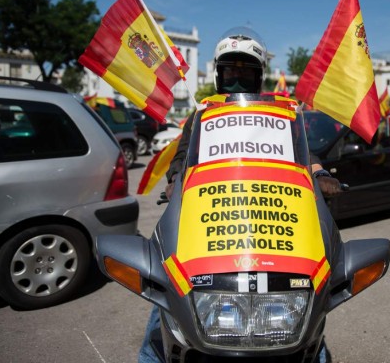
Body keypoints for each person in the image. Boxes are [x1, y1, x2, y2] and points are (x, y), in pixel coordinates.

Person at [138, 27, 340, 363]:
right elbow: (182, 156)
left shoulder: (282, 111)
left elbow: (303, 155)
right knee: (165, 304)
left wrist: (319, 174)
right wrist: (175, 180)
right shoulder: (203, 113)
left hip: (270, 212)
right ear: (218, 73)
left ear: (259, 75)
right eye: (230, 69)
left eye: (246, 70)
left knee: (314, 312)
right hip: (211, 210)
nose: (237, 76)